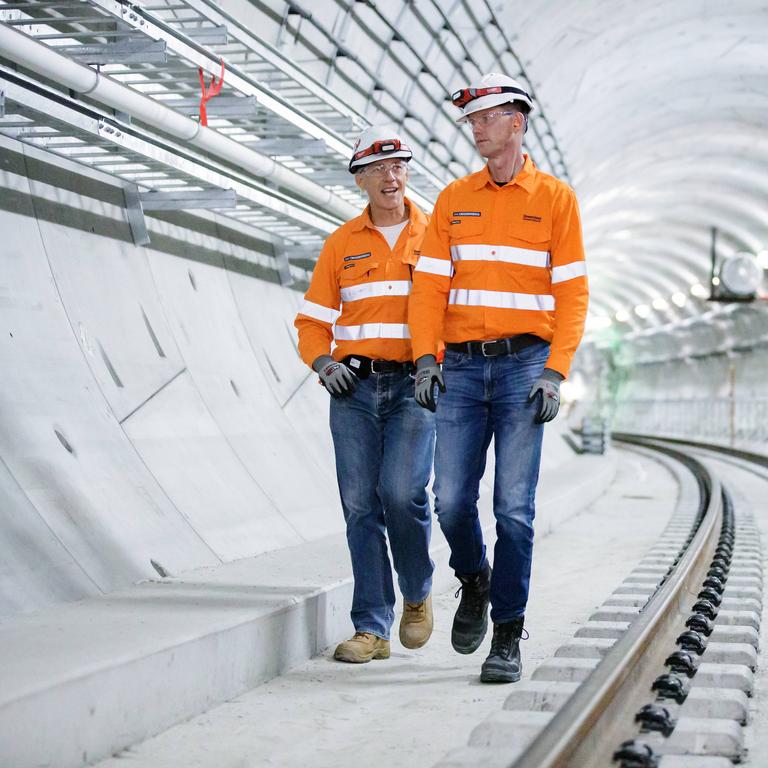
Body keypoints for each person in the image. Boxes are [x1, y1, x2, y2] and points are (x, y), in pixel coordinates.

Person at [408, 73, 588, 683]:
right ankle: (475, 579)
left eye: (486, 118)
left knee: (514, 507)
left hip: (523, 369)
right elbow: (429, 287)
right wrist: (425, 357)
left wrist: (555, 371)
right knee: (452, 499)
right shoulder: (453, 200)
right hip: (458, 367)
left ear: (517, 121)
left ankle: (508, 633)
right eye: (473, 121)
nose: (476, 128)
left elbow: (573, 294)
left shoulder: (557, 200)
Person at [294, 126, 435, 664]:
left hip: (415, 386)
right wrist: (323, 361)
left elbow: (454, 309)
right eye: (376, 169)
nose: (390, 175)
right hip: (353, 388)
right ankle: (371, 627)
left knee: (402, 494)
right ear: (359, 180)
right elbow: (312, 321)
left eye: (398, 165)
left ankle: (418, 591)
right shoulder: (342, 244)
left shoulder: (437, 237)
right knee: (360, 507)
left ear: (408, 172)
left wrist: (438, 364)